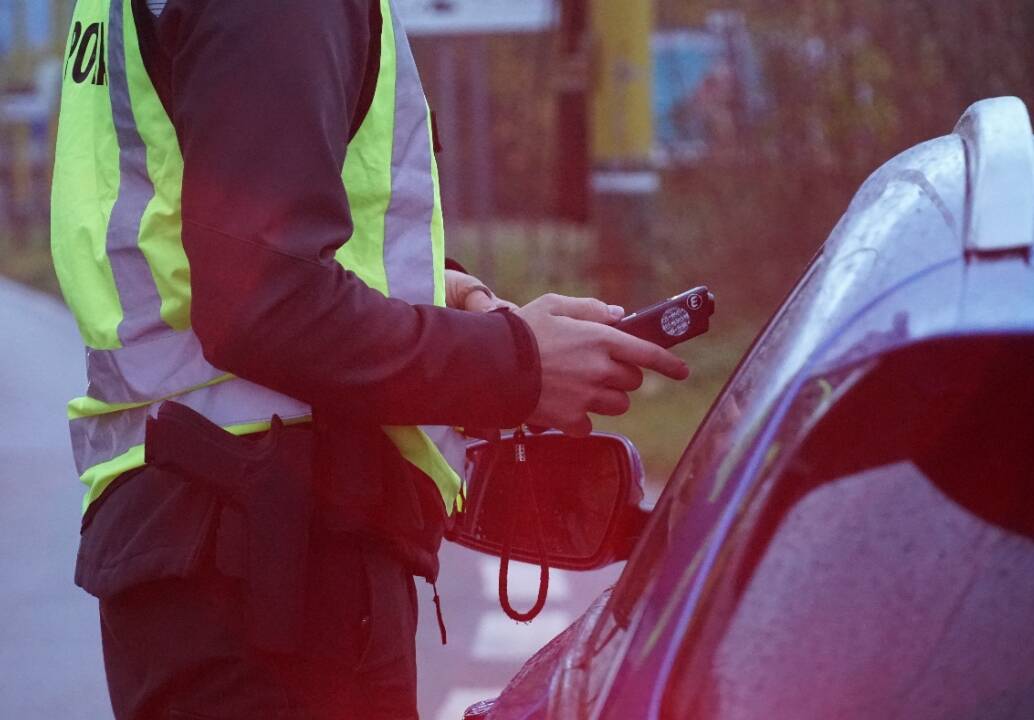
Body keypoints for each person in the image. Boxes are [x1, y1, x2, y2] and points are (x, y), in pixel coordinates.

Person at [50, 1, 689, 718]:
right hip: (272, 566)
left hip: (213, 548)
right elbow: (265, 305)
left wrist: (455, 298)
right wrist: (517, 368)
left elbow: (224, 233)